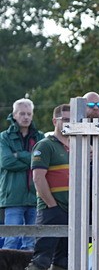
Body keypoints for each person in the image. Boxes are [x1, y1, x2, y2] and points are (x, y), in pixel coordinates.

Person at [25, 104, 71, 270]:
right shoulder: (45, 145)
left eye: (72, 119)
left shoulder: (76, 147)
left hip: (73, 212)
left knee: (64, 258)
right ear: (55, 121)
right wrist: (52, 205)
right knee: (42, 256)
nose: (68, 123)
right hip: (52, 210)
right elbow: (38, 178)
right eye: (64, 119)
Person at [1, 99, 44, 260]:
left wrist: (18, 155)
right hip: (13, 197)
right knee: (11, 240)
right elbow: (6, 162)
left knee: (31, 243)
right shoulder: (4, 137)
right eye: (22, 113)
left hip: (35, 197)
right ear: (14, 115)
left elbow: (43, 161)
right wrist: (32, 159)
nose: (25, 117)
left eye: (29, 114)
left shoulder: (39, 136)